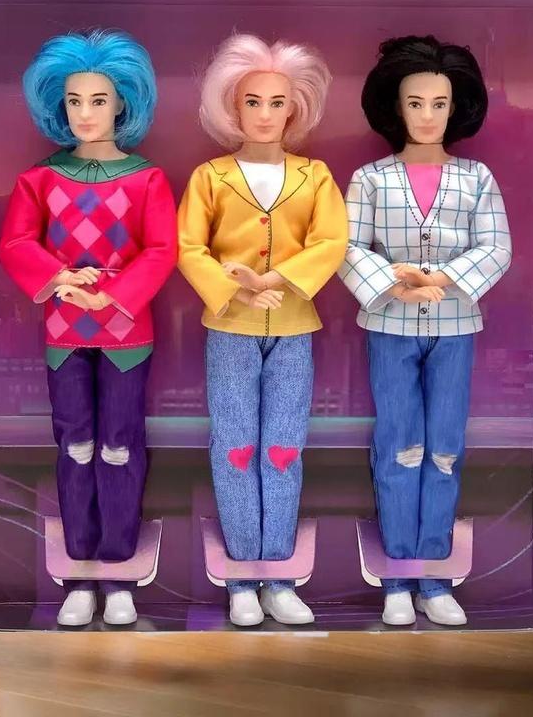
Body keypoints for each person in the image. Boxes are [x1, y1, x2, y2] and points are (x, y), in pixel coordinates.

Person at [0, 30, 177, 627]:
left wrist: (111, 293)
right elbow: (16, 243)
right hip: (64, 330)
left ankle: (119, 569)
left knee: (120, 445)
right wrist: (61, 278)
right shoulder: (40, 179)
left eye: (98, 100)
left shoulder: (148, 178)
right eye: (74, 100)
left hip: (128, 332)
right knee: (74, 444)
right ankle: (79, 569)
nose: (85, 113)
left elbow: (161, 250)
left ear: (123, 102)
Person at [339, 35, 512, 626]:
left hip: (455, 327)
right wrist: (396, 282)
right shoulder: (370, 178)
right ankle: (396, 576)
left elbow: (497, 247)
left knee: (444, 449)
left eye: (439, 103)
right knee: (397, 445)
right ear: (396, 106)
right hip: (388, 326)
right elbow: (347, 247)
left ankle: (434, 577)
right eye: (416, 103)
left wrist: (442, 278)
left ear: (456, 107)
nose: (428, 115)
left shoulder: (476, 177)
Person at [177, 33, 348, 627]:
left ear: (295, 106)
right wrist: (239, 288)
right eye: (253, 101)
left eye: (277, 102)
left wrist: (276, 278)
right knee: (235, 448)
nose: (266, 114)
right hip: (229, 326)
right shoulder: (210, 176)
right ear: (232, 105)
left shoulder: (315, 175)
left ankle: (279, 575)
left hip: (295, 325)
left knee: (283, 450)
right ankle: (240, 577)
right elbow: (189, 247)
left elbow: (331, 241)